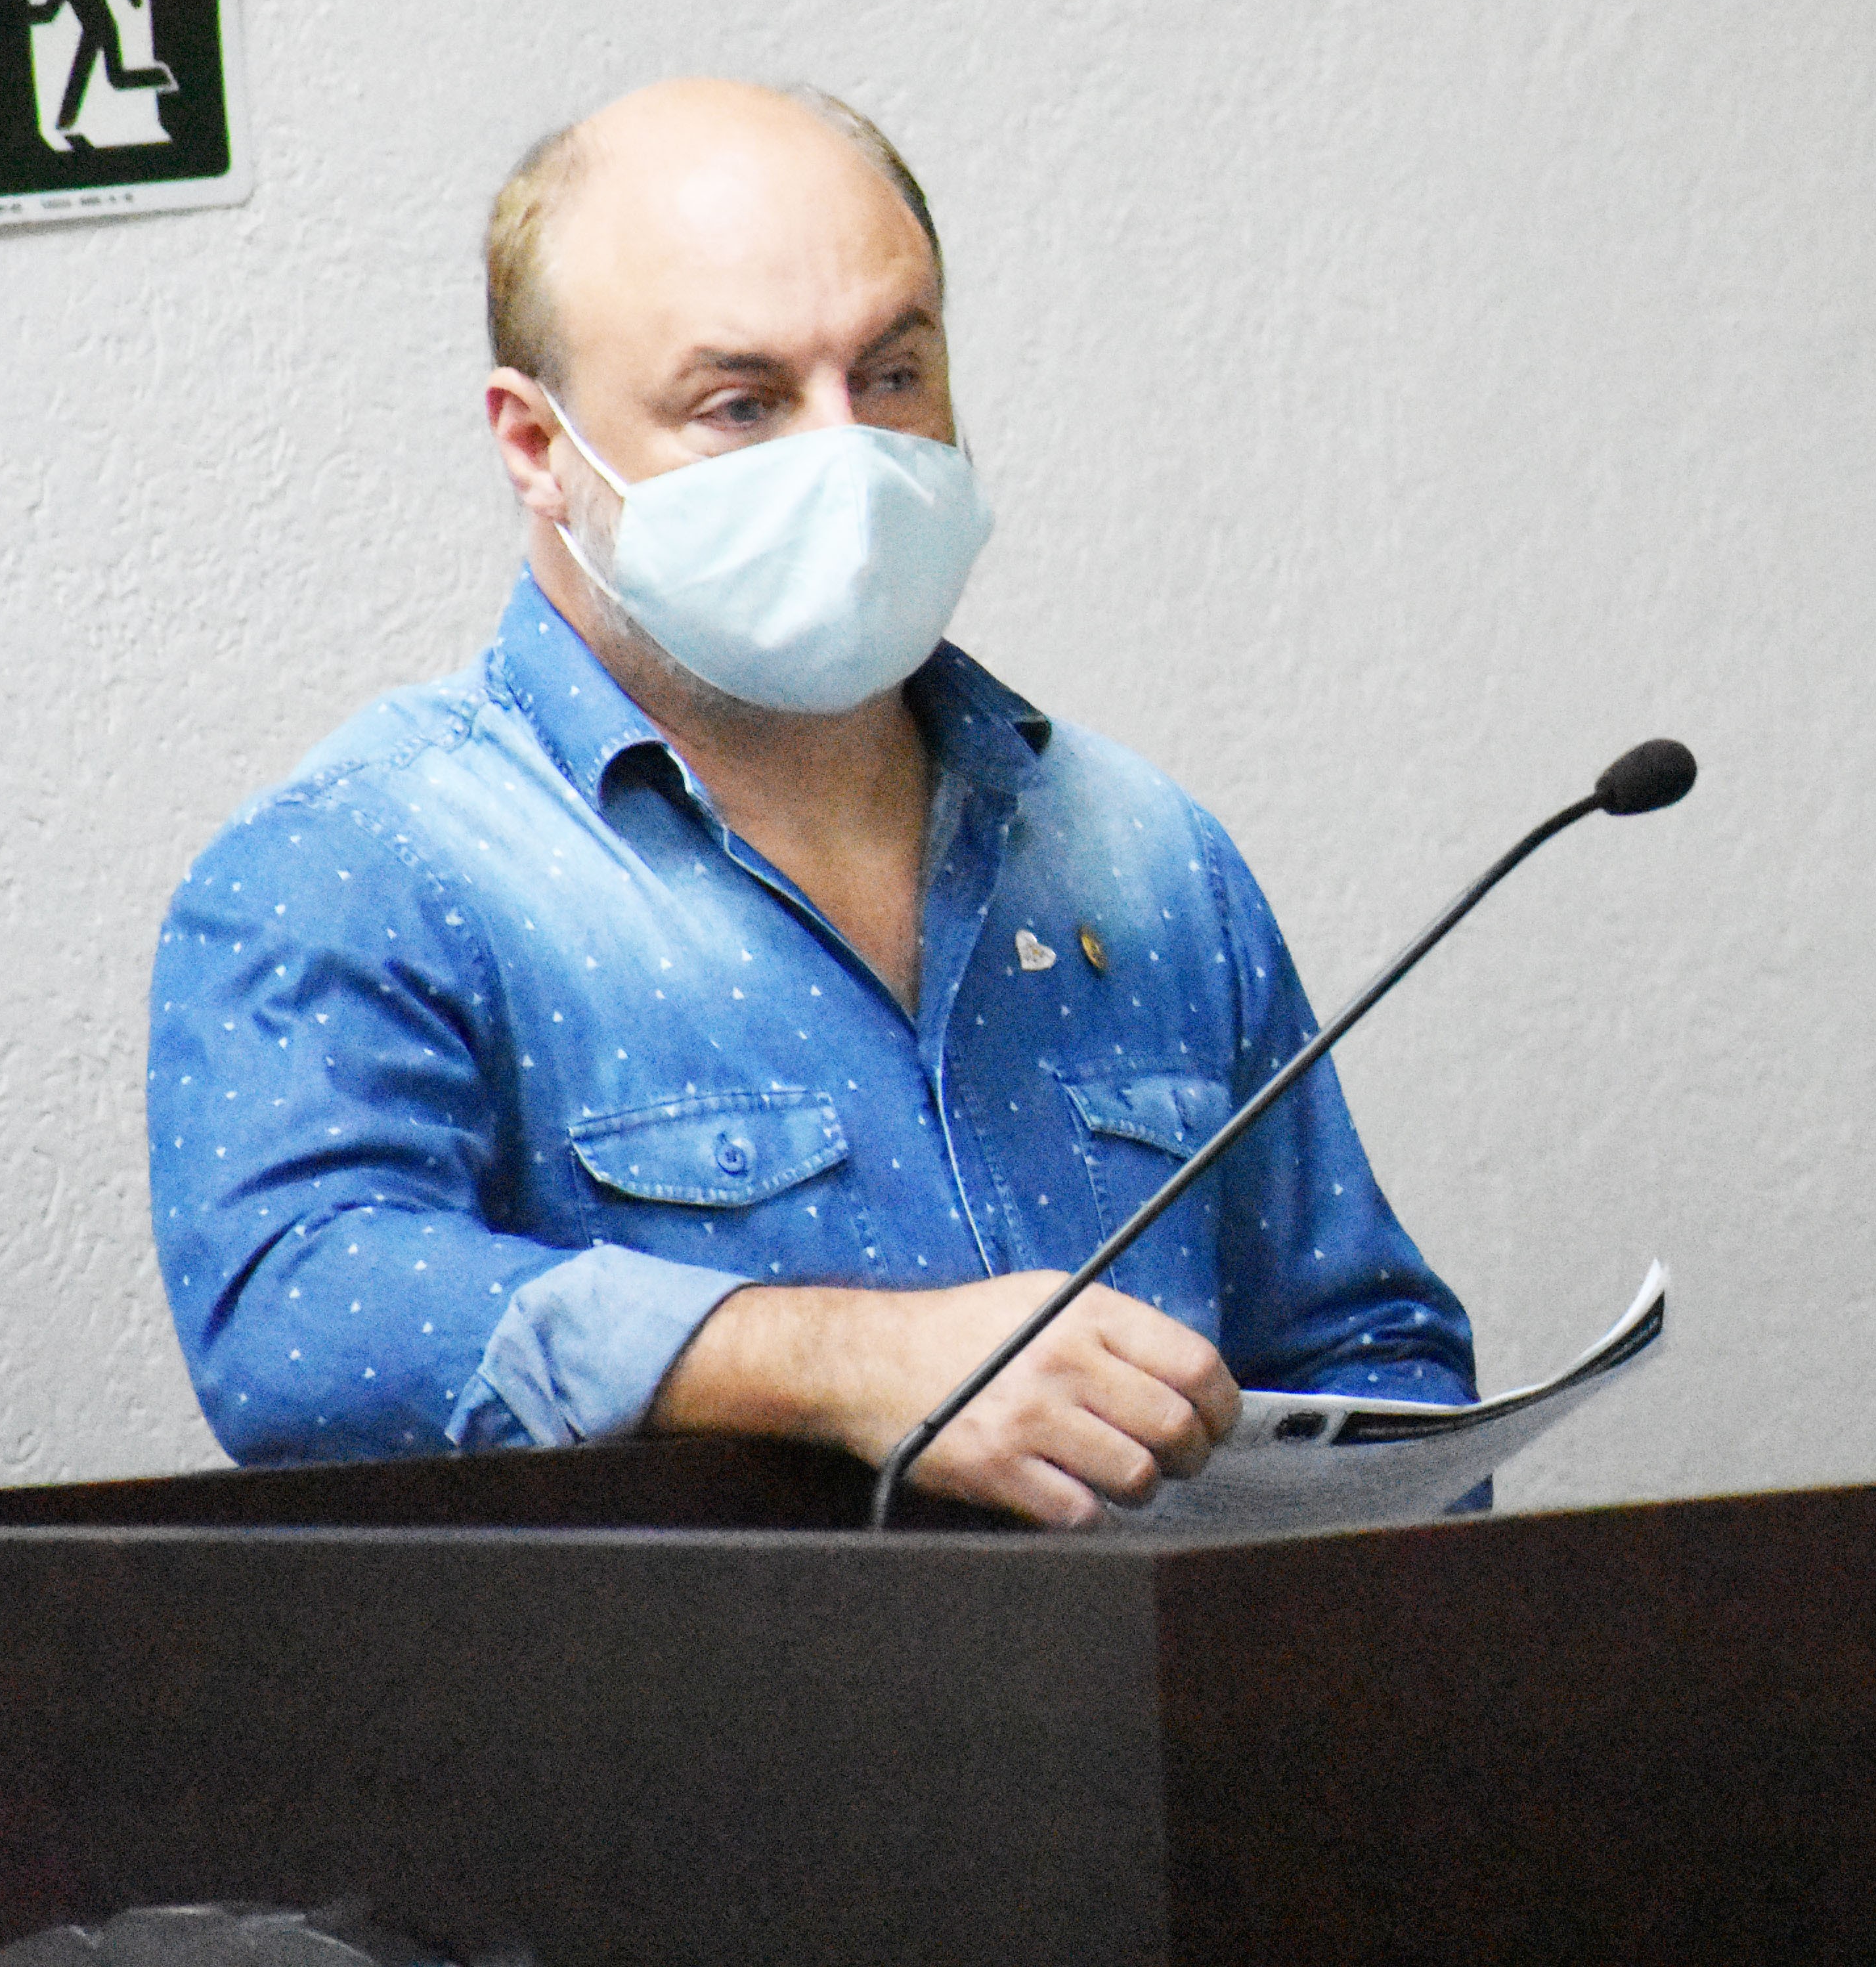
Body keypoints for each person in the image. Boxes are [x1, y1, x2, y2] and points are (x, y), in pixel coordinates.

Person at [149, 79, 1472, 1526]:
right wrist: (834, 1362)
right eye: (743, 403)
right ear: (536, 445)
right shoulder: (364, 863)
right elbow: (299, 1319)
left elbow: (1366, 1352)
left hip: (1159, 1675)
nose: (844, 455)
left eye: (893, 375)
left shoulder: (1140, 852)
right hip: (705, 1679)